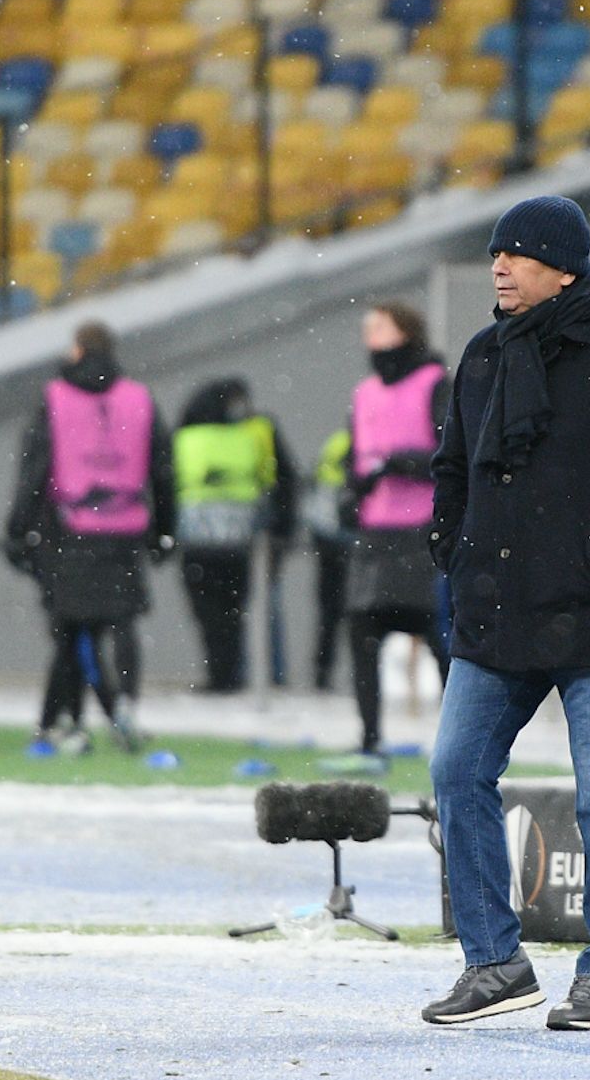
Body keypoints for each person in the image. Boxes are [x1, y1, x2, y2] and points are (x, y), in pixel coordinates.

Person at [422, 196, 590, 1031]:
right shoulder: (480, 356)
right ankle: (495, 963)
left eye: (519, 254)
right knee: (454, 772)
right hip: (495, 615)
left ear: (564, 268)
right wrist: (456, 547)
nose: (500, 267)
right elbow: (453, 471)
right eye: (497, 253)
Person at [6, 320, 175, 752]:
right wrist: (164, 531)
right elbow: (163, 469)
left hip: (70, 530)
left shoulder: (56, 398)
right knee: (122, 622)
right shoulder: (139, 398)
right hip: (126, 527)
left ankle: (68, 720)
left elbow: (34, 469)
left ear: (78, 350)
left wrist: (17, 528)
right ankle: (125, 707)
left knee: (73, 631)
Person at [343, 301, 450, 757]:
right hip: (376, 531)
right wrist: (356, 485)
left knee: (440, 637)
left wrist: (401, 462)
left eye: (381, 327)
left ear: (406, 331)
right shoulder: (364, 393)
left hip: (422, 530)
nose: (372, 337)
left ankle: (457, 739)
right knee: (361, 632)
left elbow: (450, 454)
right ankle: (369, 736)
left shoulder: (435, 383)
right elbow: (354, 457)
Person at [173, 377, 297, 693]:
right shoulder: (251, 435)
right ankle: (254, 678)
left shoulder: (187, 438)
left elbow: (168, 485)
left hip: (198, 539)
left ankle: (224, 676)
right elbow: (279, 480)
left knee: (212, 615)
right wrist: (282, 527)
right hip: (243, 539)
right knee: (243, 613)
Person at [304, 429, 352, 690]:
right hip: (350, 539)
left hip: (329, 538)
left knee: (329, 615)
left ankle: (322, 674)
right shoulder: (362, 442)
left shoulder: (335, 441)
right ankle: (329, 675)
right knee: (355, 616)